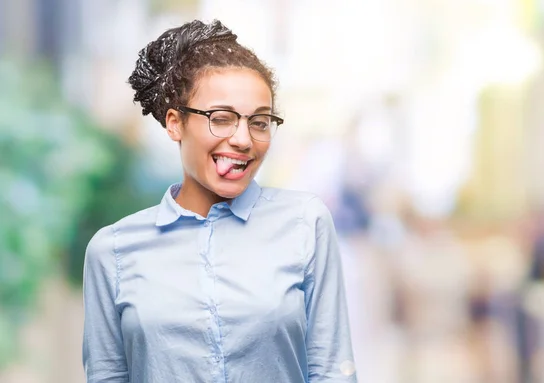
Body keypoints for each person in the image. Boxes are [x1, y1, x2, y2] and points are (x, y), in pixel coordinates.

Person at [82, 19, 356, 383]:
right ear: (175, 123)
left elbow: (332, 370)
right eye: (222, 118)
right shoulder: (112, 251)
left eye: (259, 122)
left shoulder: (305, 223)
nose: (244, 139)